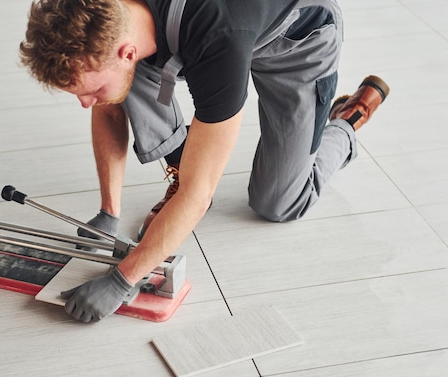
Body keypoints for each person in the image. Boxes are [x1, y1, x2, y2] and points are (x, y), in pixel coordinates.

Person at [19, 0, 389, 322]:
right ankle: (181, 165)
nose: (85, 103)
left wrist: (122, 280)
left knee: (278, 203)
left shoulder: (219, 41)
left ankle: (346, 121)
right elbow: (109, 106)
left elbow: (201, 193)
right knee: (122, 87)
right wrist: (109, 213)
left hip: (297, 39)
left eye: (91, 90)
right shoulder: (108, 17)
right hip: (217, 28)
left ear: (127, 52)